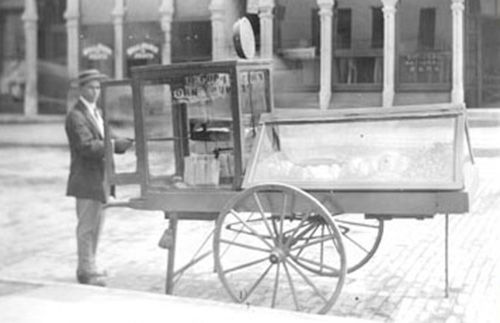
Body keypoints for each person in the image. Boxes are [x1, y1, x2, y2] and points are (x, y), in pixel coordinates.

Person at [65, 69, 133, 286]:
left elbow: (106, 137)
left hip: (101, 179)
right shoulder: (75, 116)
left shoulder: (96, 113)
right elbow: (86, 147)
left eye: (98, 88)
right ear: (81, 89)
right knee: (86, 226)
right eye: (91, 87)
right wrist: (113, 145)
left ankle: (89, 266)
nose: (95, 91)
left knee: (97, 224)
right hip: (86, 179)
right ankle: (86, 270)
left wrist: (124, 141)